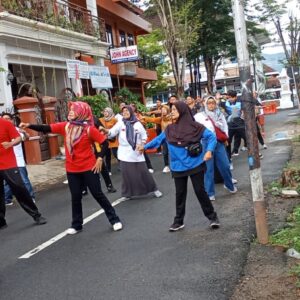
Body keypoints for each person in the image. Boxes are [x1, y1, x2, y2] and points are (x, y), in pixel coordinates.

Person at [20, 101, 122, 234]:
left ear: (82, 112)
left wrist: (99, 158)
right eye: (71, 110)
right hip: (72, 169)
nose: (71, 112)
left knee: (98, 194)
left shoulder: (89, 129)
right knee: (75, 197)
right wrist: (29, 125)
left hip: (89, 167)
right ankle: (76, 225)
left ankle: (114, 220)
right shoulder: (66, 126)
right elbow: (47, 128)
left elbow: (104, 143)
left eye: (74, 110)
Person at [144, 102, 220, 231]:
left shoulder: (196, 127)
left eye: (175, 109)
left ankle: (212, 217)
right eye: (171, 109)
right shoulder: (169, 129)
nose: (172, 112)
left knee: (200, 191)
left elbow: (211, 137)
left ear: (183, 111)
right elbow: (157, 140)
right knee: (180, 194)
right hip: (178, 166)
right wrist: (144, 147)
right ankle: (178, 221)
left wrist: (209, 150)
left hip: (196, 163)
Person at [100, 105, 162, 200]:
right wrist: (105, 130)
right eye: (123, 111)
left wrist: (142, 144)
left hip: (136, 152)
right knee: (126, 174)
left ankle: (154, 189)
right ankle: (127, 194)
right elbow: (112, 132)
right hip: (124, 153)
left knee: (143, 172)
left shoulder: (137, 124)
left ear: (131, 112)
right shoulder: (120, 123)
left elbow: (144, 136)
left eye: (127, 111)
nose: (125, 112)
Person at [0, 117, 46, 230]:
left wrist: (10, 144)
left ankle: (36, 215)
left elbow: (18, 138)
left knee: (19, 189)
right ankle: (1, 221)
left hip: (8, 163)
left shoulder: (5, 124)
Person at [194, 97, 237, 201]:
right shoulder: (199, 116)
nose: (211, 105)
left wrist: (225, 137)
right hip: (206, 143)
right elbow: (195, 129)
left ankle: (229, 185)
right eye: (209, 103)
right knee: (208, 169)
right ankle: (210, 193)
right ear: (205, 104)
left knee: (225, 165)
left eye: (213, 103)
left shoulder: (220, 114)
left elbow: (225, 127)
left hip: (219, 142)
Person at [1, 113, 35, 205]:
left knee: (24, 180)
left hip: (18, 161)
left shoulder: (17, 130)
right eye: (4, 119)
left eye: (8, 118)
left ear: (12, 120)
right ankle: (7, 199)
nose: (6, 120)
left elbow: (26, 138)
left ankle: (31, 197)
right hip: (7, 162)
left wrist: (23, 132)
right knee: (8, 182)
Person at [142, 105, 172, 173]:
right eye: (162, 110)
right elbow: (153, 119)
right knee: (165, 152)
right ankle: (166, 166)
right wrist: (144, 118)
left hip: (172, 138)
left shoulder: (172, 118)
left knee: (173, 151)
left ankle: (175, 165)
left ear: (167, 110)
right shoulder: (161, 119)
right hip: (164, 138)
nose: (163, 111)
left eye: (165, 110)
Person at [130, 103, 154, 173]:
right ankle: (138, 169)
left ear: (135, 108)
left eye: (132, 107)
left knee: (142, 152)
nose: (131, 108)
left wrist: (139, 121)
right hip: (132, 137)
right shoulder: (127, 116)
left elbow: (144, 122)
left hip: (140, 135)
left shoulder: (138, 114)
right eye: (130, 107)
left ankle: (149, 167)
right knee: (134, 153)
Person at [99, 107, 119, 175]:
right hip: (104, 140)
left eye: (106, 111)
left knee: (116, 154)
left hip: (113, 140)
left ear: (110, 112)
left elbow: (117, 129)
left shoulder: (114, 120)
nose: (105, 113)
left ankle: (123, 164)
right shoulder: (101, 119)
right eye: (104, 111)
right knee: (107, 155)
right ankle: (108, 170)